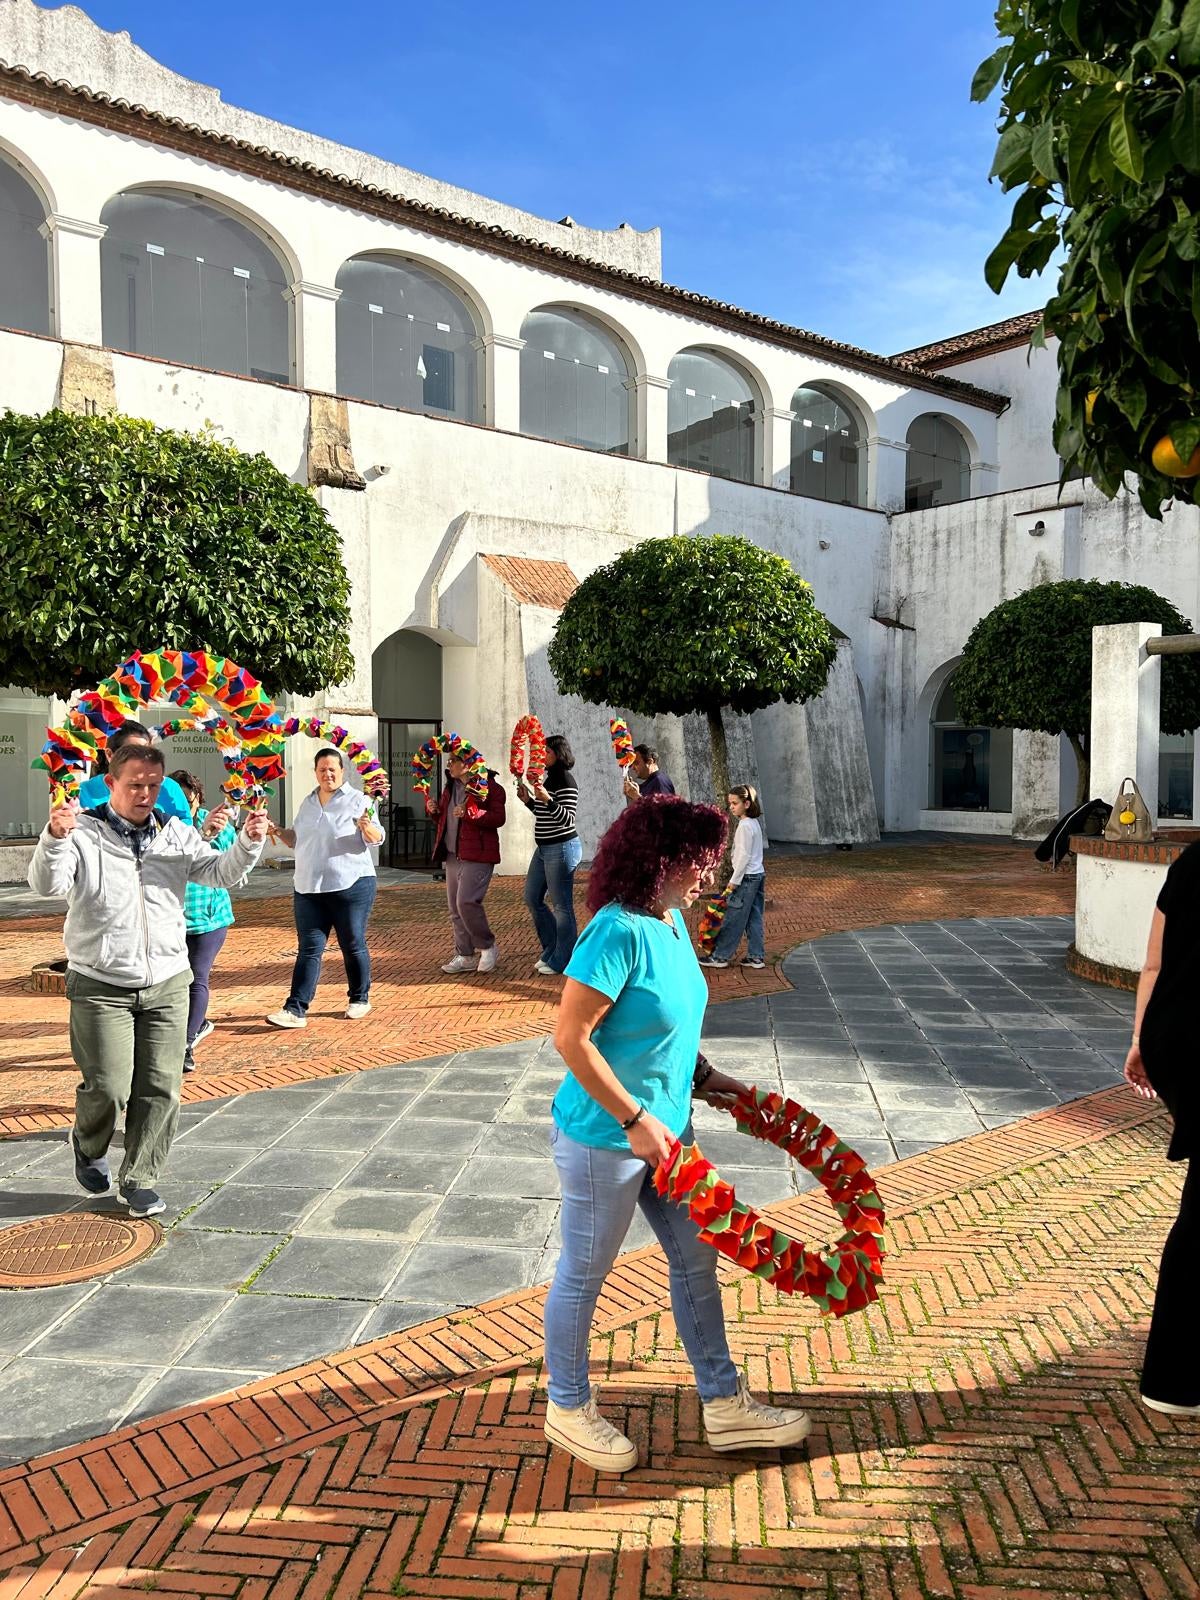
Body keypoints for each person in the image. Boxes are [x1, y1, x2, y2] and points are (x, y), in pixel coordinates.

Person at [543, 794, 811, 1473]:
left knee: (696, 1259)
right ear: (659, 860)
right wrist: (634, 1120)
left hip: (671, 1135)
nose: (707, 877)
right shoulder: (615, 931)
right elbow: (571, 1039)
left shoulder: (667, 924)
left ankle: (723, 1403)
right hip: (608, 1140)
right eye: (697, 863)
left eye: (711, 864)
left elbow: (665, 1030)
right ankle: (568, 1407)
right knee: (585, 1273)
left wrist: (715, 1080)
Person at [28, 743, 266, 1216]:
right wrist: (54, 837)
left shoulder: (174, 833)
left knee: (161, 1085)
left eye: (153, 786)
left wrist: (249, 841)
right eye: (135, 784)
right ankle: (88, 1142)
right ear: (112, 783)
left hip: (167, 978)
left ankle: (139, 1177)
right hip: (100, 982)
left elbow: (219, 874)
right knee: (109, 1086)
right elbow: (47, 886)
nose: (144, 794)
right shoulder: (83, 832)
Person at [1123, 842, 1200, 1417]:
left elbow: (1155, 962)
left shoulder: (1193, 862)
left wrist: (1138, 1043)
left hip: (1179, 1043)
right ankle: (1173, 1375)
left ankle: (1172, 1377)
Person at [266, 747, 385, 1028]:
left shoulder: (360, 800)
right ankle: (295, 1009)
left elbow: (376, 837)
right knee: (308, 948)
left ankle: (359, 998)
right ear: (316, 772)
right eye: (322, 769)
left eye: (332, 769)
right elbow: (297, 840)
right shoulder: (307, 802)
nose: (327, 774)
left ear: (342, 771)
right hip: (308, 887)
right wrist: (278, 831)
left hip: (351, 884)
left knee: (352, 943)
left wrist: (365, 828)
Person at [170, 769, 238, 1072]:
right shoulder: (164, 826)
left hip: (209, 919)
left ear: (198, 797)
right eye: (178, 798)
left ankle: (185, 1045)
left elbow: (231, 860)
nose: (186, 803)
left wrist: (213, 832)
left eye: (189, 797)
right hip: (171, 920)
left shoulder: (214, 822)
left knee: (197, 978)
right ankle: (192, 1026)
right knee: (172, 984)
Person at [429, 752, 506, 975]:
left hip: (478, 854)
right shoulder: (450, 788)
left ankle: (487, 945)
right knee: (454, 907)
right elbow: (447, 819)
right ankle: (465, 955)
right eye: (449, 760)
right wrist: (435, 812)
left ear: (468, 764)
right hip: (453, 854)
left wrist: (471, 813)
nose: (449, 764)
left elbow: (498, 818)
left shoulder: (491, 787)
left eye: (454, 761)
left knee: (467, 902)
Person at [519, 734, 581, 976]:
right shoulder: (549, 779)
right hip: (544, 848)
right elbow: (545, 813)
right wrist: (529, 802)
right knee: (532, 898)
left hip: (562, 848)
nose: (541, 756)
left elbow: (567, 819)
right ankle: (552, 948)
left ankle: (564, 959)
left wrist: (548, 800)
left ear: (558, 754)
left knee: (562, 906)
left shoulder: (566, 780)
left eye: (546, 752)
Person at [699, 785, 767, 971]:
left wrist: (734, 881)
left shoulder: (745, 826)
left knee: (734, 917)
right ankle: (756, 956)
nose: (732, 807)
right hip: (758, 875)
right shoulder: (753, 824)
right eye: (730, 803)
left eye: (735, 803)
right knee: (754, 916)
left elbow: (743, 857)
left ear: (747, 803)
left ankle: (721, 956)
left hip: (746, 878)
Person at [79, 721, 192, 824]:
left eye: (147, 751)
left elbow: (186, 837)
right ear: (109, 755)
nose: (142, 759)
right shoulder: (83, 792)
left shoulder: (170, 788)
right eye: (131, 753)